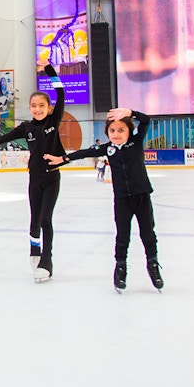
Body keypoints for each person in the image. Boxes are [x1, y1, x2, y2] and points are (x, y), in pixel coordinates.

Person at [0, 60, 66, 282]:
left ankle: (47, 260)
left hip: (51, 179)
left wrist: (48, 70)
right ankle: (34, 249)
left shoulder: (54, 121)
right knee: (34, 220)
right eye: (33, 106)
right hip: (34, 179)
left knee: (46, 219)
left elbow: (60, 91)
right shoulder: (26, 128)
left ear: (49, 108)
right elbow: (0, 139)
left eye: (42, 106)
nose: (37, 109)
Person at [44, 107, 163, 292]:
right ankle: (120, 267)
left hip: (142, 197)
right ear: (107, 132)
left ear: (129, 131)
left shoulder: (136, 142)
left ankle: (153, 265)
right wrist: (63, 158)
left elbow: (146, 119)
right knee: (122, 236)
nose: (116, 134)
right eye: (112, 130)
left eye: (121, 130)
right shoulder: (107, 149)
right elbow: (84, 153)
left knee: (148, 233)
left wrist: (130, 112)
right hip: (122, 200)